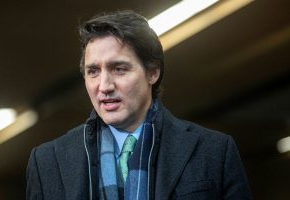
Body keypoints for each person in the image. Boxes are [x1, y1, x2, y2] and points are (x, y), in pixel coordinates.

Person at [26, 10, 253, 200]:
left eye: (119, 69)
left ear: (152, 72)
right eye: (93, 71)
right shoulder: (47, 162)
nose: (104, 85)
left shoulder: (213, 150)